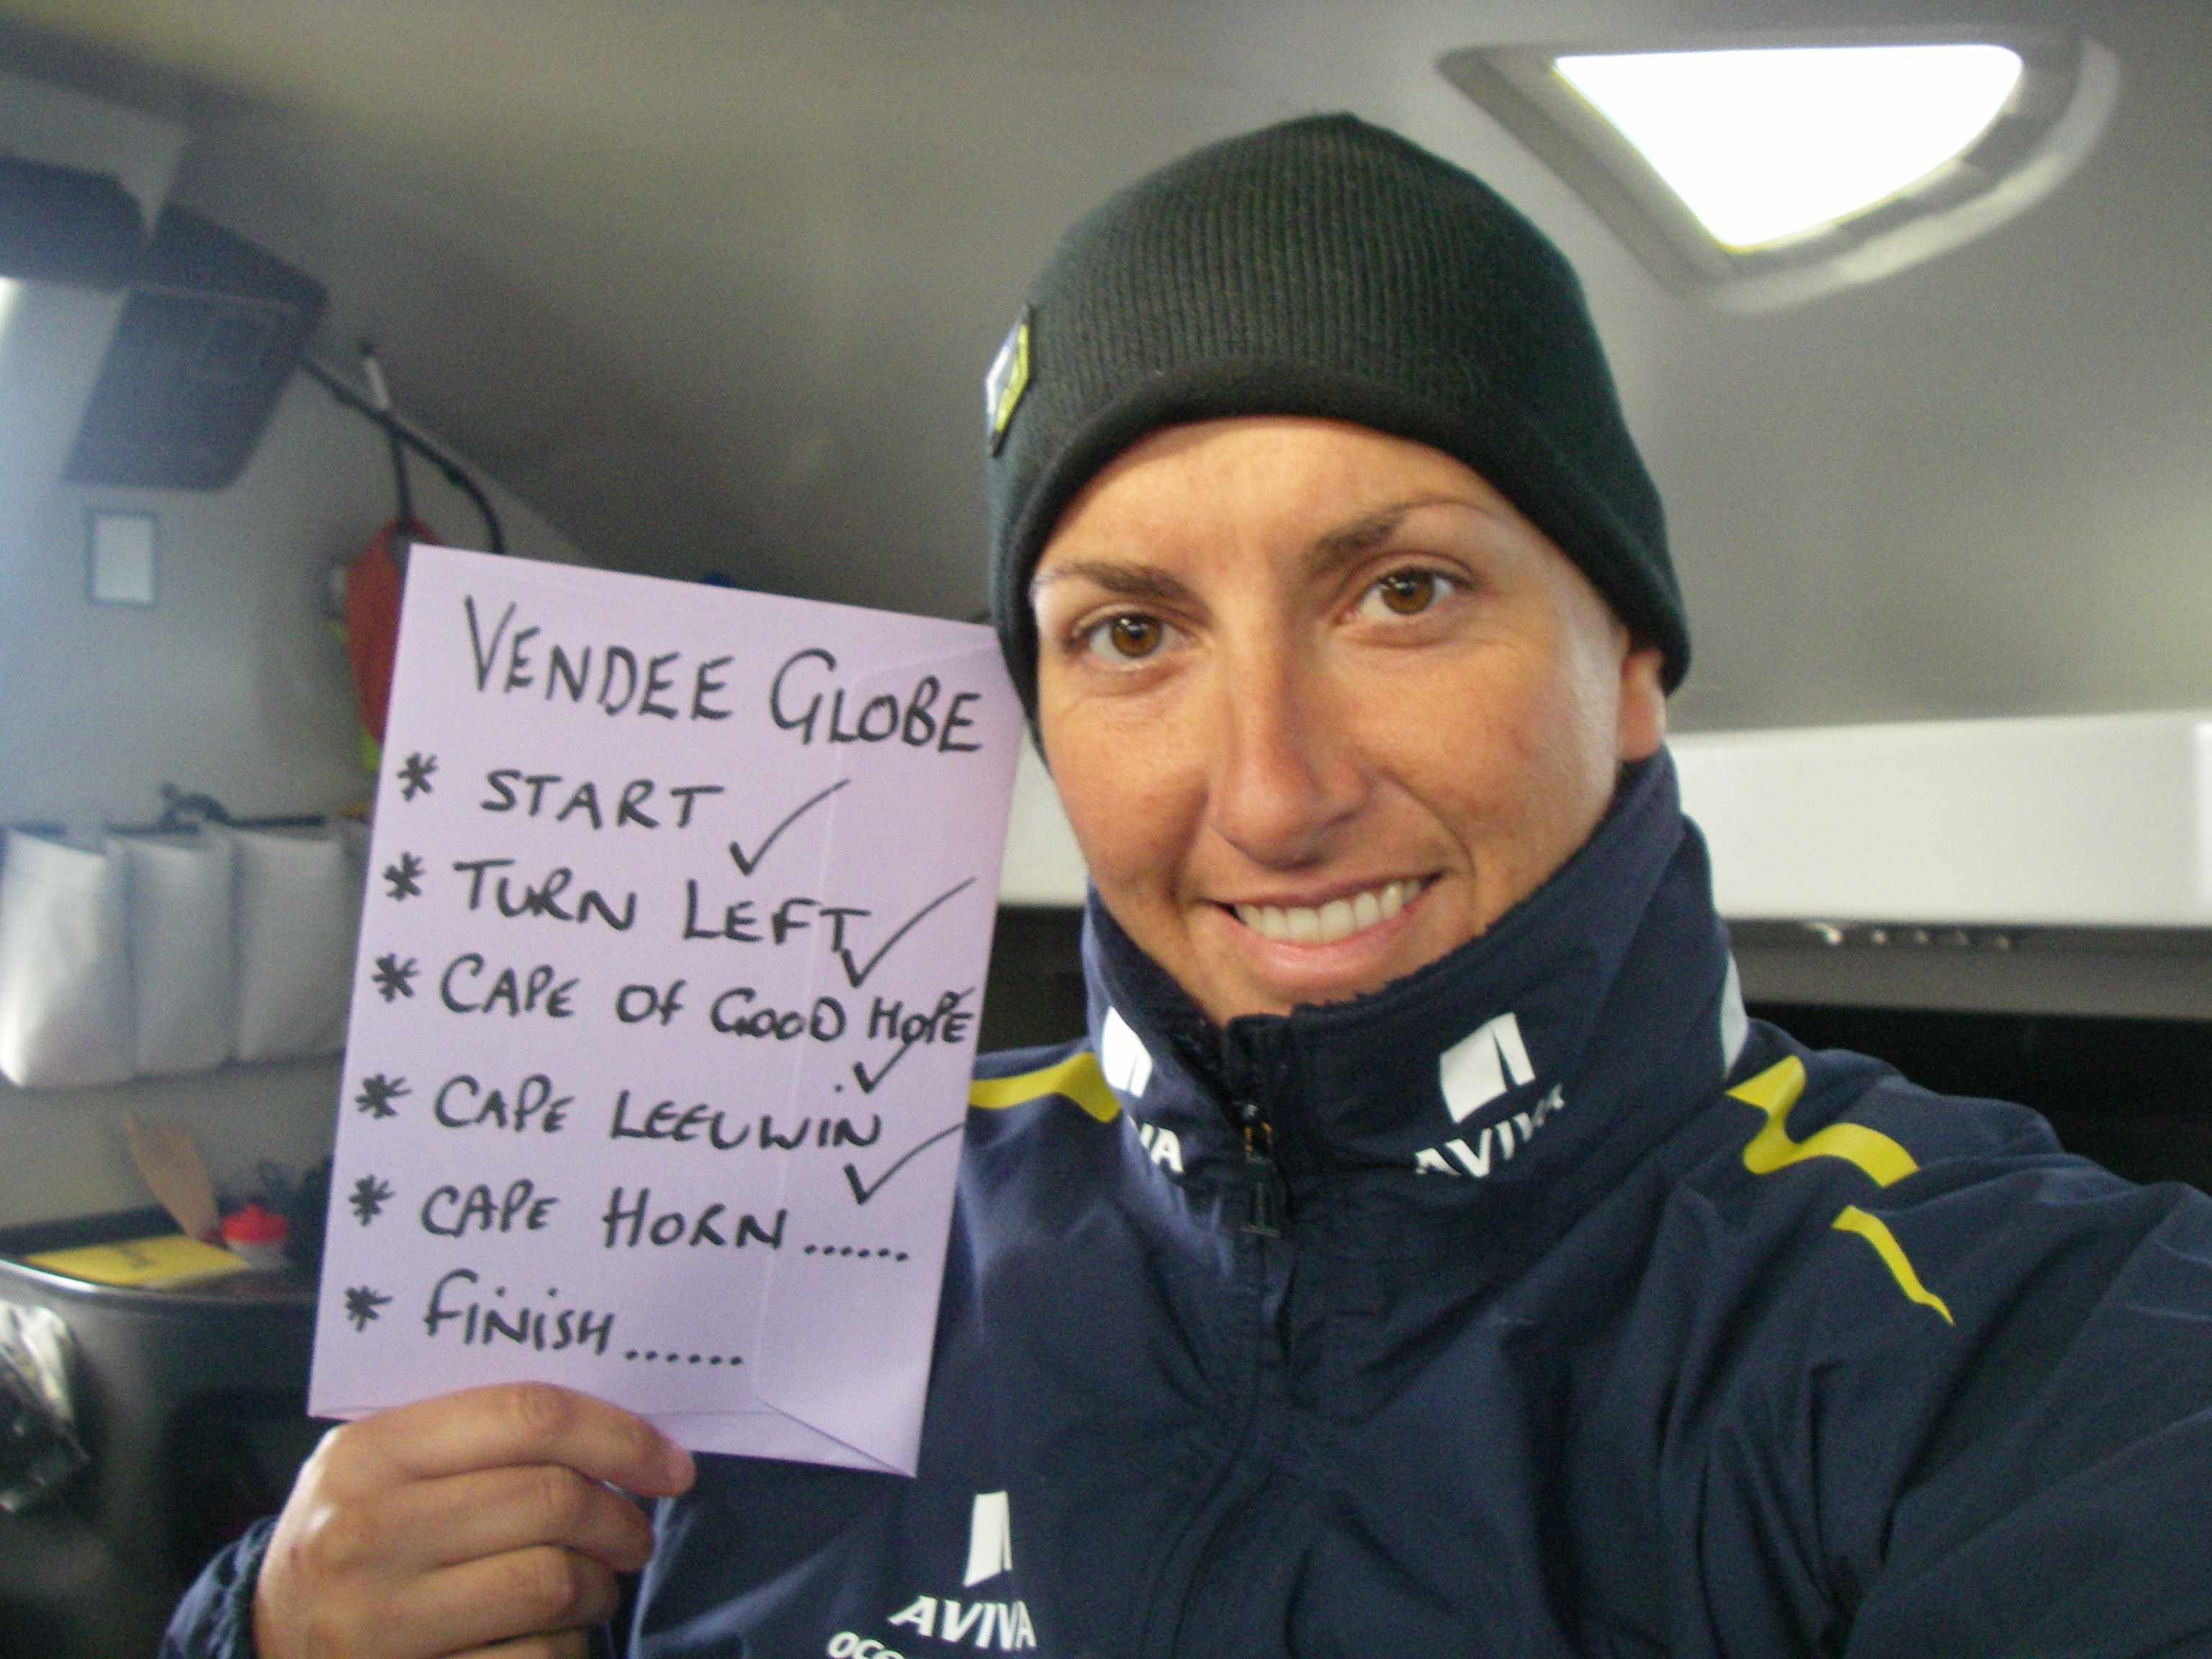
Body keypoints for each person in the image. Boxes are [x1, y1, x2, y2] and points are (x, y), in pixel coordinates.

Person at [168, 114, 2212, 1659]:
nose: (1276, 792)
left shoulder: (2016, 1345)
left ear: (1633, 662)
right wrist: (272, 1629)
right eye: (1131, 633)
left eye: (1403, 592)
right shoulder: (758, 1234)